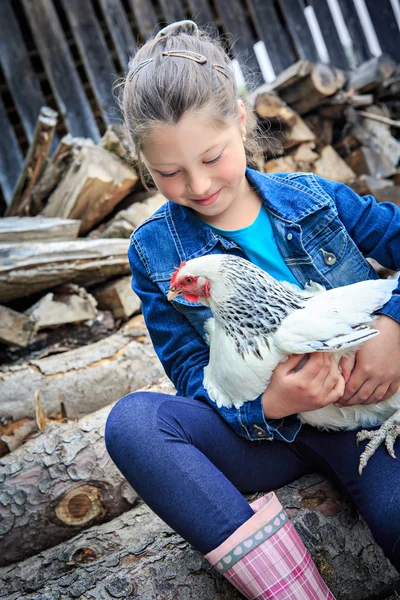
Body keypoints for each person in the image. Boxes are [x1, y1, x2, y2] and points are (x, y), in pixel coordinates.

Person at [105, 19, 400, 598]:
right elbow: (191, 374)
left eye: (212, 156)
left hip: (366, 410)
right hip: (272, 436)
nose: (197, 184)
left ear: (241, 120)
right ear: (144, 163)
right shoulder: (155, 251)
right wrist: (270, 405)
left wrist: (394, 322)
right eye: (168, 172)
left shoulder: (314, 198)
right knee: (135, 425)